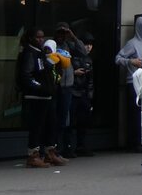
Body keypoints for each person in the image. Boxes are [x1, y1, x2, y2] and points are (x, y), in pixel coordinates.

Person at [17, 29, 65, 167]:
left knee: (50, 124)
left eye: (42, 37)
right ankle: (33, 155)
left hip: (46, 96)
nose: (41, 40)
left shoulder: (40, 53)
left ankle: (50, 152)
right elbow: (26, 76)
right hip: (36, 96)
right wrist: (42, 87)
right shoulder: (29, 53)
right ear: (31, 38)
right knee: (36, 126)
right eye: (38, 37)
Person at [115, 14, 142, 150]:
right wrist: (130, 61)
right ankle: (134, 142)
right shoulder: (132, 43)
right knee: (134, 113)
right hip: (132, 82)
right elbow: (118, 58)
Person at [52, 25, 76, 157]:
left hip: (68, 85)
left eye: (64, 34)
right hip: (56, 85)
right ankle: (54, 147)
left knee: (64, 118)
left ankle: (62, 148)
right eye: (59, 34)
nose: (62, 36)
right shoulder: (51, 45)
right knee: (55, 117)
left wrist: (72, 36)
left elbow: (82, 51)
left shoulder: (69, 45)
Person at [70, 32, 96, 155]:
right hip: (73, 91)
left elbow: (90, 80)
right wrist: (74, 73)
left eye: (90, 45)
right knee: (71, 121)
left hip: (83, 93)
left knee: (83, 121)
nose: (88, 47)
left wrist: (90, 96)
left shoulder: (88, 59)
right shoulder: (73, 57)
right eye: (86, 44)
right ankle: (69, 146)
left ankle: (81, 145)